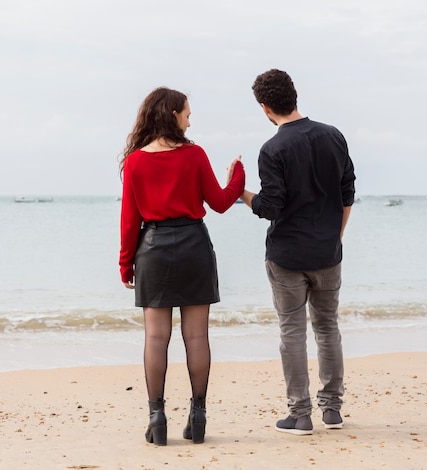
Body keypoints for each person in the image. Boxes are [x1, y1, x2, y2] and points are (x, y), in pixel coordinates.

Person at [119, 87, 245, 446]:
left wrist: (125, 263)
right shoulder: (194, 155)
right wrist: (238, 176)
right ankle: (198, 415)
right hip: (194, 246)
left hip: (154, 249)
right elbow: (220, 202)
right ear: (172, 113)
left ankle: (157, 418)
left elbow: (129, 220)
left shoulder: (136, 161)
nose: (190, 119)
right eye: (187, 113)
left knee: (156, 337)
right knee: (197, 337)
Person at [240, 69, 356, 435]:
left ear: (264, 107)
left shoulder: (273, 149)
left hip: (287, 256)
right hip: (327, 252)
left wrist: (240, 193)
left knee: (292, 332)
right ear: (294, 95)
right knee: (328, 327)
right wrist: (335, 237)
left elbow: (270, 207)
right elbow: (347, 192)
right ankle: (332, 410)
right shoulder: (332, 135)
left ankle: (300, 415)